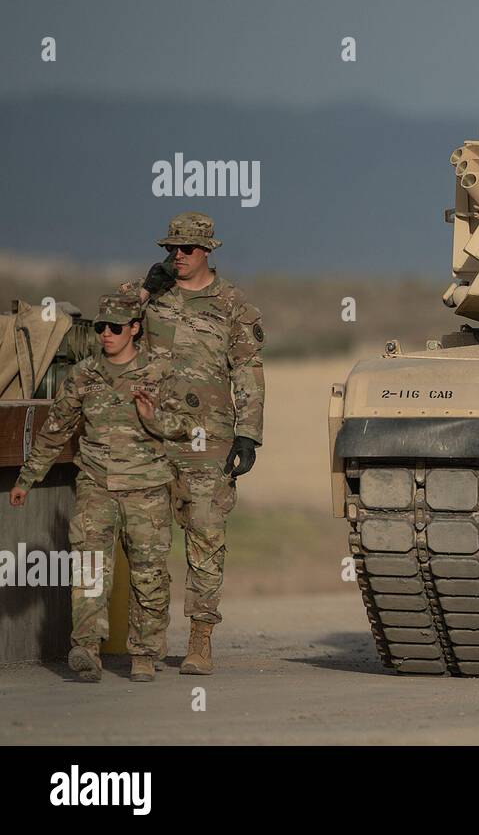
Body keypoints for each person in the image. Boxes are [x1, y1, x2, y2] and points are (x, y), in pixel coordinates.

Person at [8, 294, 193, 683]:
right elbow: (55, 429)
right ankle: (87, 647)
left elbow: (187, 428)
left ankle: (144, 653)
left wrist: (152, 416)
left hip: (146, 490)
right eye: (100, 328)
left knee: (149, 573)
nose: (106, 334)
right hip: (96, 486)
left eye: (115, 328)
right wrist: (27, 478)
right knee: (90, 568)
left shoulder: (159, 373)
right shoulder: (84, 374)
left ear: (135, 330)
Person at [126, 212, 265, 675]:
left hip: (208, 439)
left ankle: (200, 640)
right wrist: (145, 288)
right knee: (147, 542)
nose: (177, 257)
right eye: (170, 249)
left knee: (205, 538)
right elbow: (108, 329)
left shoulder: (231, 305)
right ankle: (145, 647)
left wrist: (249, 433)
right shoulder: (153, 298)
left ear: (207, 251)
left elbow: (248, 370)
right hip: (149, 436)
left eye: (185, 249)